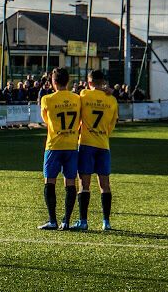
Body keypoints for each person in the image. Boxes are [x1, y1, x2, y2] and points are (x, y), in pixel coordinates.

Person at [71, 70, 118, 231]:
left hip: (86, 144)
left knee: (84, 183)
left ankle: (83, 221)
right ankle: (106, 222)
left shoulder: (84, 95)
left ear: (89, 83)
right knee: (105, 184)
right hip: (103, 145)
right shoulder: (111, 100)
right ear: (103, 81)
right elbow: (112, 124)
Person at [38, 68, 81, 231]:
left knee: (50, 181)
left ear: (53, 82)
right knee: (70, 182)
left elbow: (46, 120)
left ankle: (52, 220)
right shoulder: (77, 99)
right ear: (68, 81)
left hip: (53, 146)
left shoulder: (47, 99)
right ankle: (66, 221)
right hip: (71, 146)